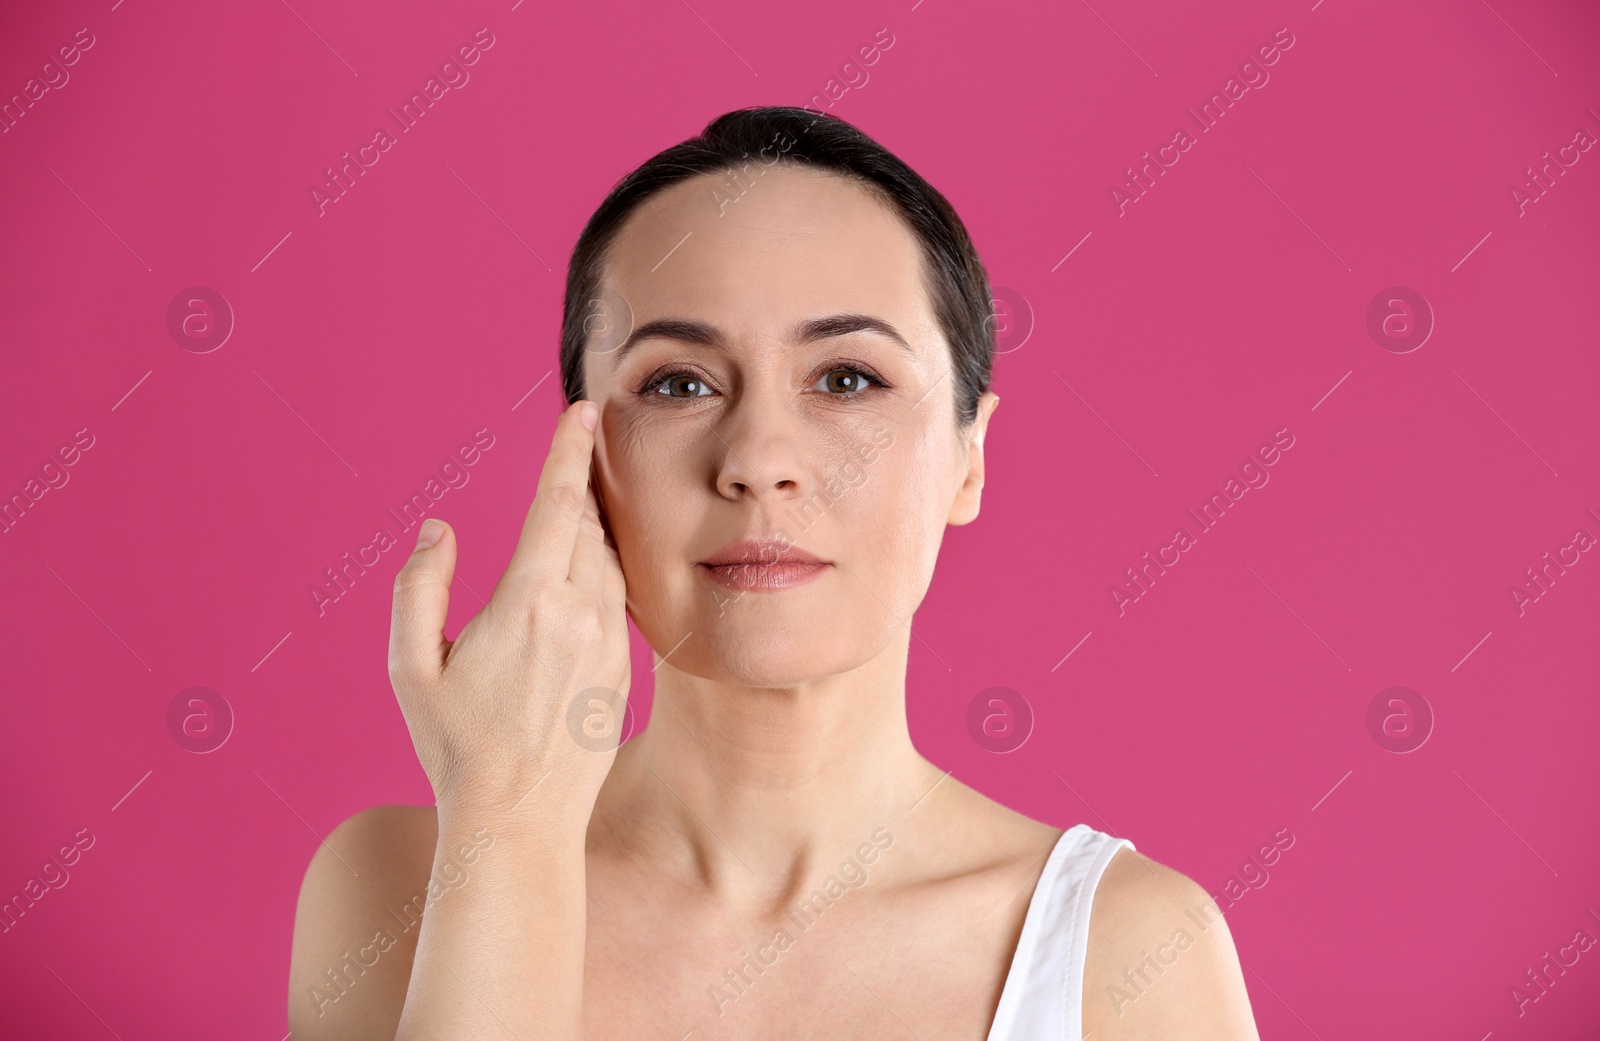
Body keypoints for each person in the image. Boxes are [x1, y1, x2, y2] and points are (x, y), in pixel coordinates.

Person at [287, 105, 1260, 1040]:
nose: (758, 458)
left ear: (968, 456)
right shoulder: (398, 884)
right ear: (581, 456)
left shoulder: (1130, 950)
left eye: (847, 379)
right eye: (677, 383)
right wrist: (504, 824)